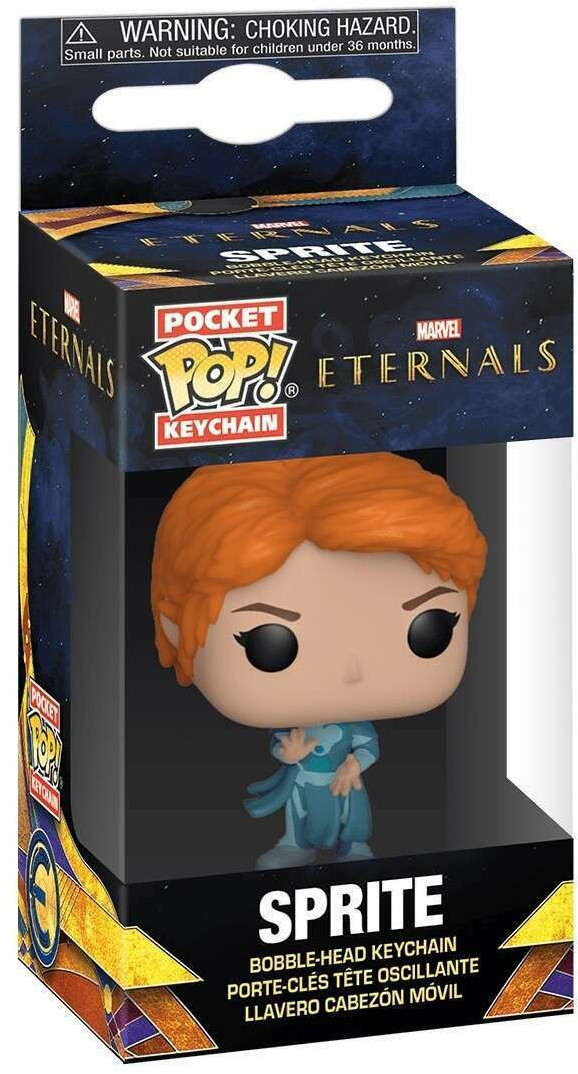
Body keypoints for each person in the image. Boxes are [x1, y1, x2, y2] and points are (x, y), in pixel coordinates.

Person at [152, 451, 487, 868]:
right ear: (174, 629)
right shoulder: (295, 725)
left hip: (344, 786)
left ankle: (353, 846)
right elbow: (283, 746)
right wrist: (290, 755)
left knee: (352, 818)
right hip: (304, 785)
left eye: (429, 630)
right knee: (299, 818)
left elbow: (368, 747)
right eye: (270, 645)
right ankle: (297, 845)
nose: (353, 670)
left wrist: (353, 763)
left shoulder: (354, 727)